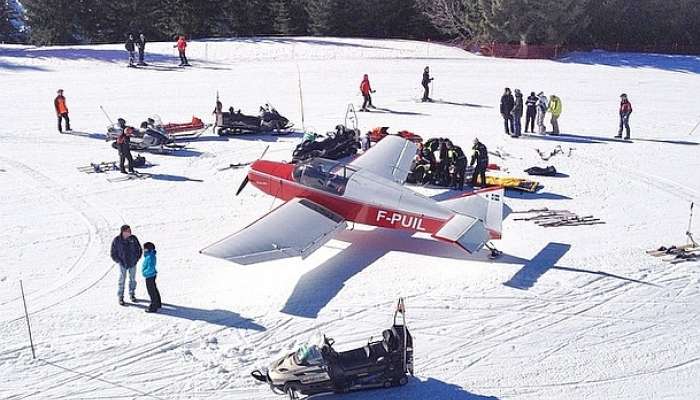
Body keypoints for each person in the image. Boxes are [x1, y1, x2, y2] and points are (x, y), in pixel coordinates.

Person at [110, 225, 142, 306]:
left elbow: (139, 249)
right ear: (123, 232)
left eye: (130, 230)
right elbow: (113, 252)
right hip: (123, 263)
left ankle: (132, 294)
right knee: (122, 280)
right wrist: (119, 261)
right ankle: (120, 296)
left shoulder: (133, 238)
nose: (129, 232)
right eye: (127, 231)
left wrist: (136, 258)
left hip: (132, 263)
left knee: (132, 279)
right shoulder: (117, 240)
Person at [141, 242, 161, 313]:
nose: (144, 250)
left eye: (145, 249)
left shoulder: (150, 257)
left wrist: (144, 273)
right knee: (154, 289)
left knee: (151, 291)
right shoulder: (149, 255)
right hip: (151, 275)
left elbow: (150, 267)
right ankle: (158, 303)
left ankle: (153, 306)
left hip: (150, 276)